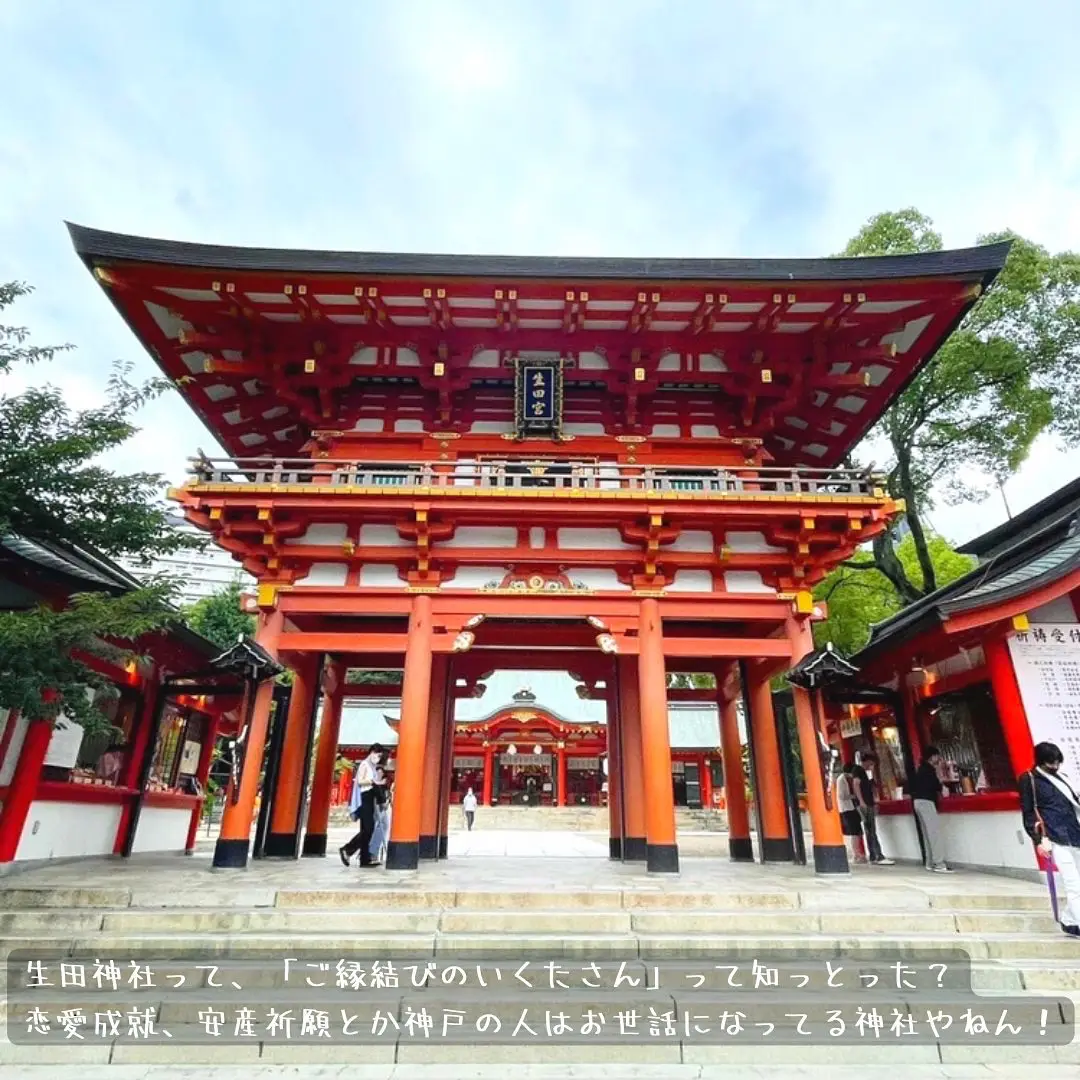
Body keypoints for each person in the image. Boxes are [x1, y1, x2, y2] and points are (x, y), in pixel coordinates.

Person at [1020, 741, 1080, 938]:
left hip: (1075, 832)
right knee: (1073, 884)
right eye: (1051, 763)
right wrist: (1037, 840)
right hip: (1055, 836)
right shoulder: (1029, 779)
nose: (1054, 767)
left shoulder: (1063, 778)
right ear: (1041, 761)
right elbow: (1029, 812)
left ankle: (1070, 920)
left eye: (1057, 763)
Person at [339, 743, 385, 868]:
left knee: (367, 830)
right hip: (365, 797)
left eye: (380, 755)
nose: (378, 757)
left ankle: (365, 859)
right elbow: (359, 781)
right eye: (377, 754)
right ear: (372, 752)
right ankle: (347, 849)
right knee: (368, 829)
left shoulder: (373, 766)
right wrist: (372, 781)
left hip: (371, 798)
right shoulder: (365, 764)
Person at [911, 746, 953, 873]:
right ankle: (939, 863)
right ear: (932, 757)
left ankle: (930, 862)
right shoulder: (929, 770)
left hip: (917, 802)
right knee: (934, 833)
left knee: (926, 833)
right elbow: (936, 786)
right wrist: (940, 773)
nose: (939, 758)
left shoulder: (921, 769)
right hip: (927, 802)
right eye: (937, 756)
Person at [852, 752, 894, 866]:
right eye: (871, 764)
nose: (871, 766)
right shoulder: (858, 770)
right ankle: (878, 855)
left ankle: (873, 855)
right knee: (871, 829)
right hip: (865, 804)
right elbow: (856, 784)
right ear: (867, 761)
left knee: (869, 830)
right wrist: (861, 801)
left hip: (867, 802)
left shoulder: (864, 772)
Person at [836, 764, 867, 864]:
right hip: (847, 808)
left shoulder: (847, 779)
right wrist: (853, 796)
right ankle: (856, 854)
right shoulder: (841, 780)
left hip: (852, 807)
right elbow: (841, 796)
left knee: (858, 832)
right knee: (854, 832)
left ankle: (858, 853)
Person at [368, 771, 390, 865]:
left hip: (382, 804)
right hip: (376, 804)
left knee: (384, 826)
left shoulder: (386, 781)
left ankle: (373, 851)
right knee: (379, 827)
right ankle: (372, 852)